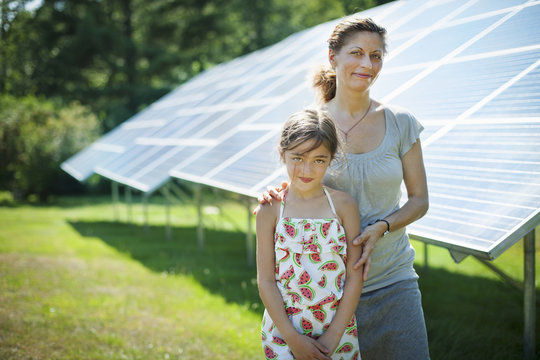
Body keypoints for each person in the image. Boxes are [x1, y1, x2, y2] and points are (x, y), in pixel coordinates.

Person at [256, 17, 430, 360]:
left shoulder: (401, 122)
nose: (367, 64)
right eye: (357, 53)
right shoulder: (312, 125)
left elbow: (420, 199)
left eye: (376, 56)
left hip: (392, 278)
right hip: (323, 293)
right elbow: (297, 180)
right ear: (333, 57)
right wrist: (272, 193)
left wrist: (381, 227)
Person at [257, 108, 364, 360]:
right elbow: (266, 281)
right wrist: (292, 339)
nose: (307, 170)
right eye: (297, 158)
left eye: (318, 160)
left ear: (331, 159)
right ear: (282, 154)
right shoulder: (270, 210)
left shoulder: (344, 206)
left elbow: (354, 276)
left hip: (337, 331)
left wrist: (333, 337)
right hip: (283, 334)